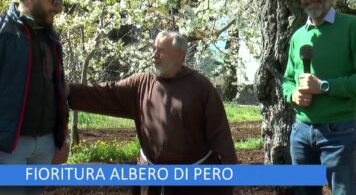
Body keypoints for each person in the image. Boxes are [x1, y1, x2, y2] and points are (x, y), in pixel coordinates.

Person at [68, 30, 237, 195]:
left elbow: (220, 134)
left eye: (161, 51)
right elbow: (106, 93)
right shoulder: (142, 84)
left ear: (179, 55)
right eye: (154, 49)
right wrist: (69, 91)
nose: (154, 55)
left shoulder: (201, 87)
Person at [282, 0, 356, 195]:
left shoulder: (353, 27)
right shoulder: (298, 36)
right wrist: (293, 95)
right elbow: (287, 80)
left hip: (339, 131)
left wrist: (325, 86)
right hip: (301, 133)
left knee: (343, 191)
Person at [0, 0, 70, 194]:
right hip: (9, 147)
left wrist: (62, 139)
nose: (58, 8)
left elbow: (58, 89)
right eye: (53, 0)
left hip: (46, 145)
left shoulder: (52, 37)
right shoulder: (4, 33)